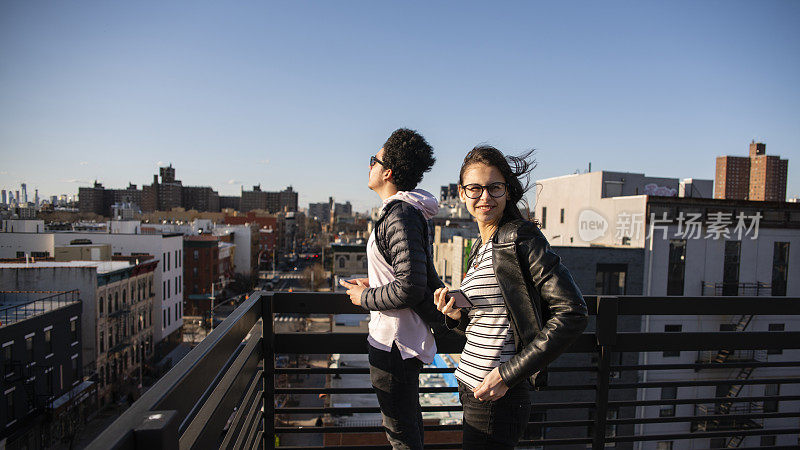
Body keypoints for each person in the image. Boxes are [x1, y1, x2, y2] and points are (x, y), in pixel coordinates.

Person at [433, 145, 588, 449]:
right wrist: (457, 315)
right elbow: (494, 322)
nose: (485, 197)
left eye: (494, 187)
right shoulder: (480, 248)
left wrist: (507, 375)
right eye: (475, 189)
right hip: (470, 387)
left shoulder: (520, 237)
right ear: (462, 194)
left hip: (497, 397)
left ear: (507, 192)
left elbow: (572, 312)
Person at [340, 128, 446, 450]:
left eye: (374, 160)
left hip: (394, 343)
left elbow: (411, 287)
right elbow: (410, 275)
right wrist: (376, 283)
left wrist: (365, 297)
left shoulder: (399, 213)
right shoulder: (405, 212)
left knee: (401, 436)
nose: (368, 165)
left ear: (387, 172)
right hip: (399, 340)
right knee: (407, 426)